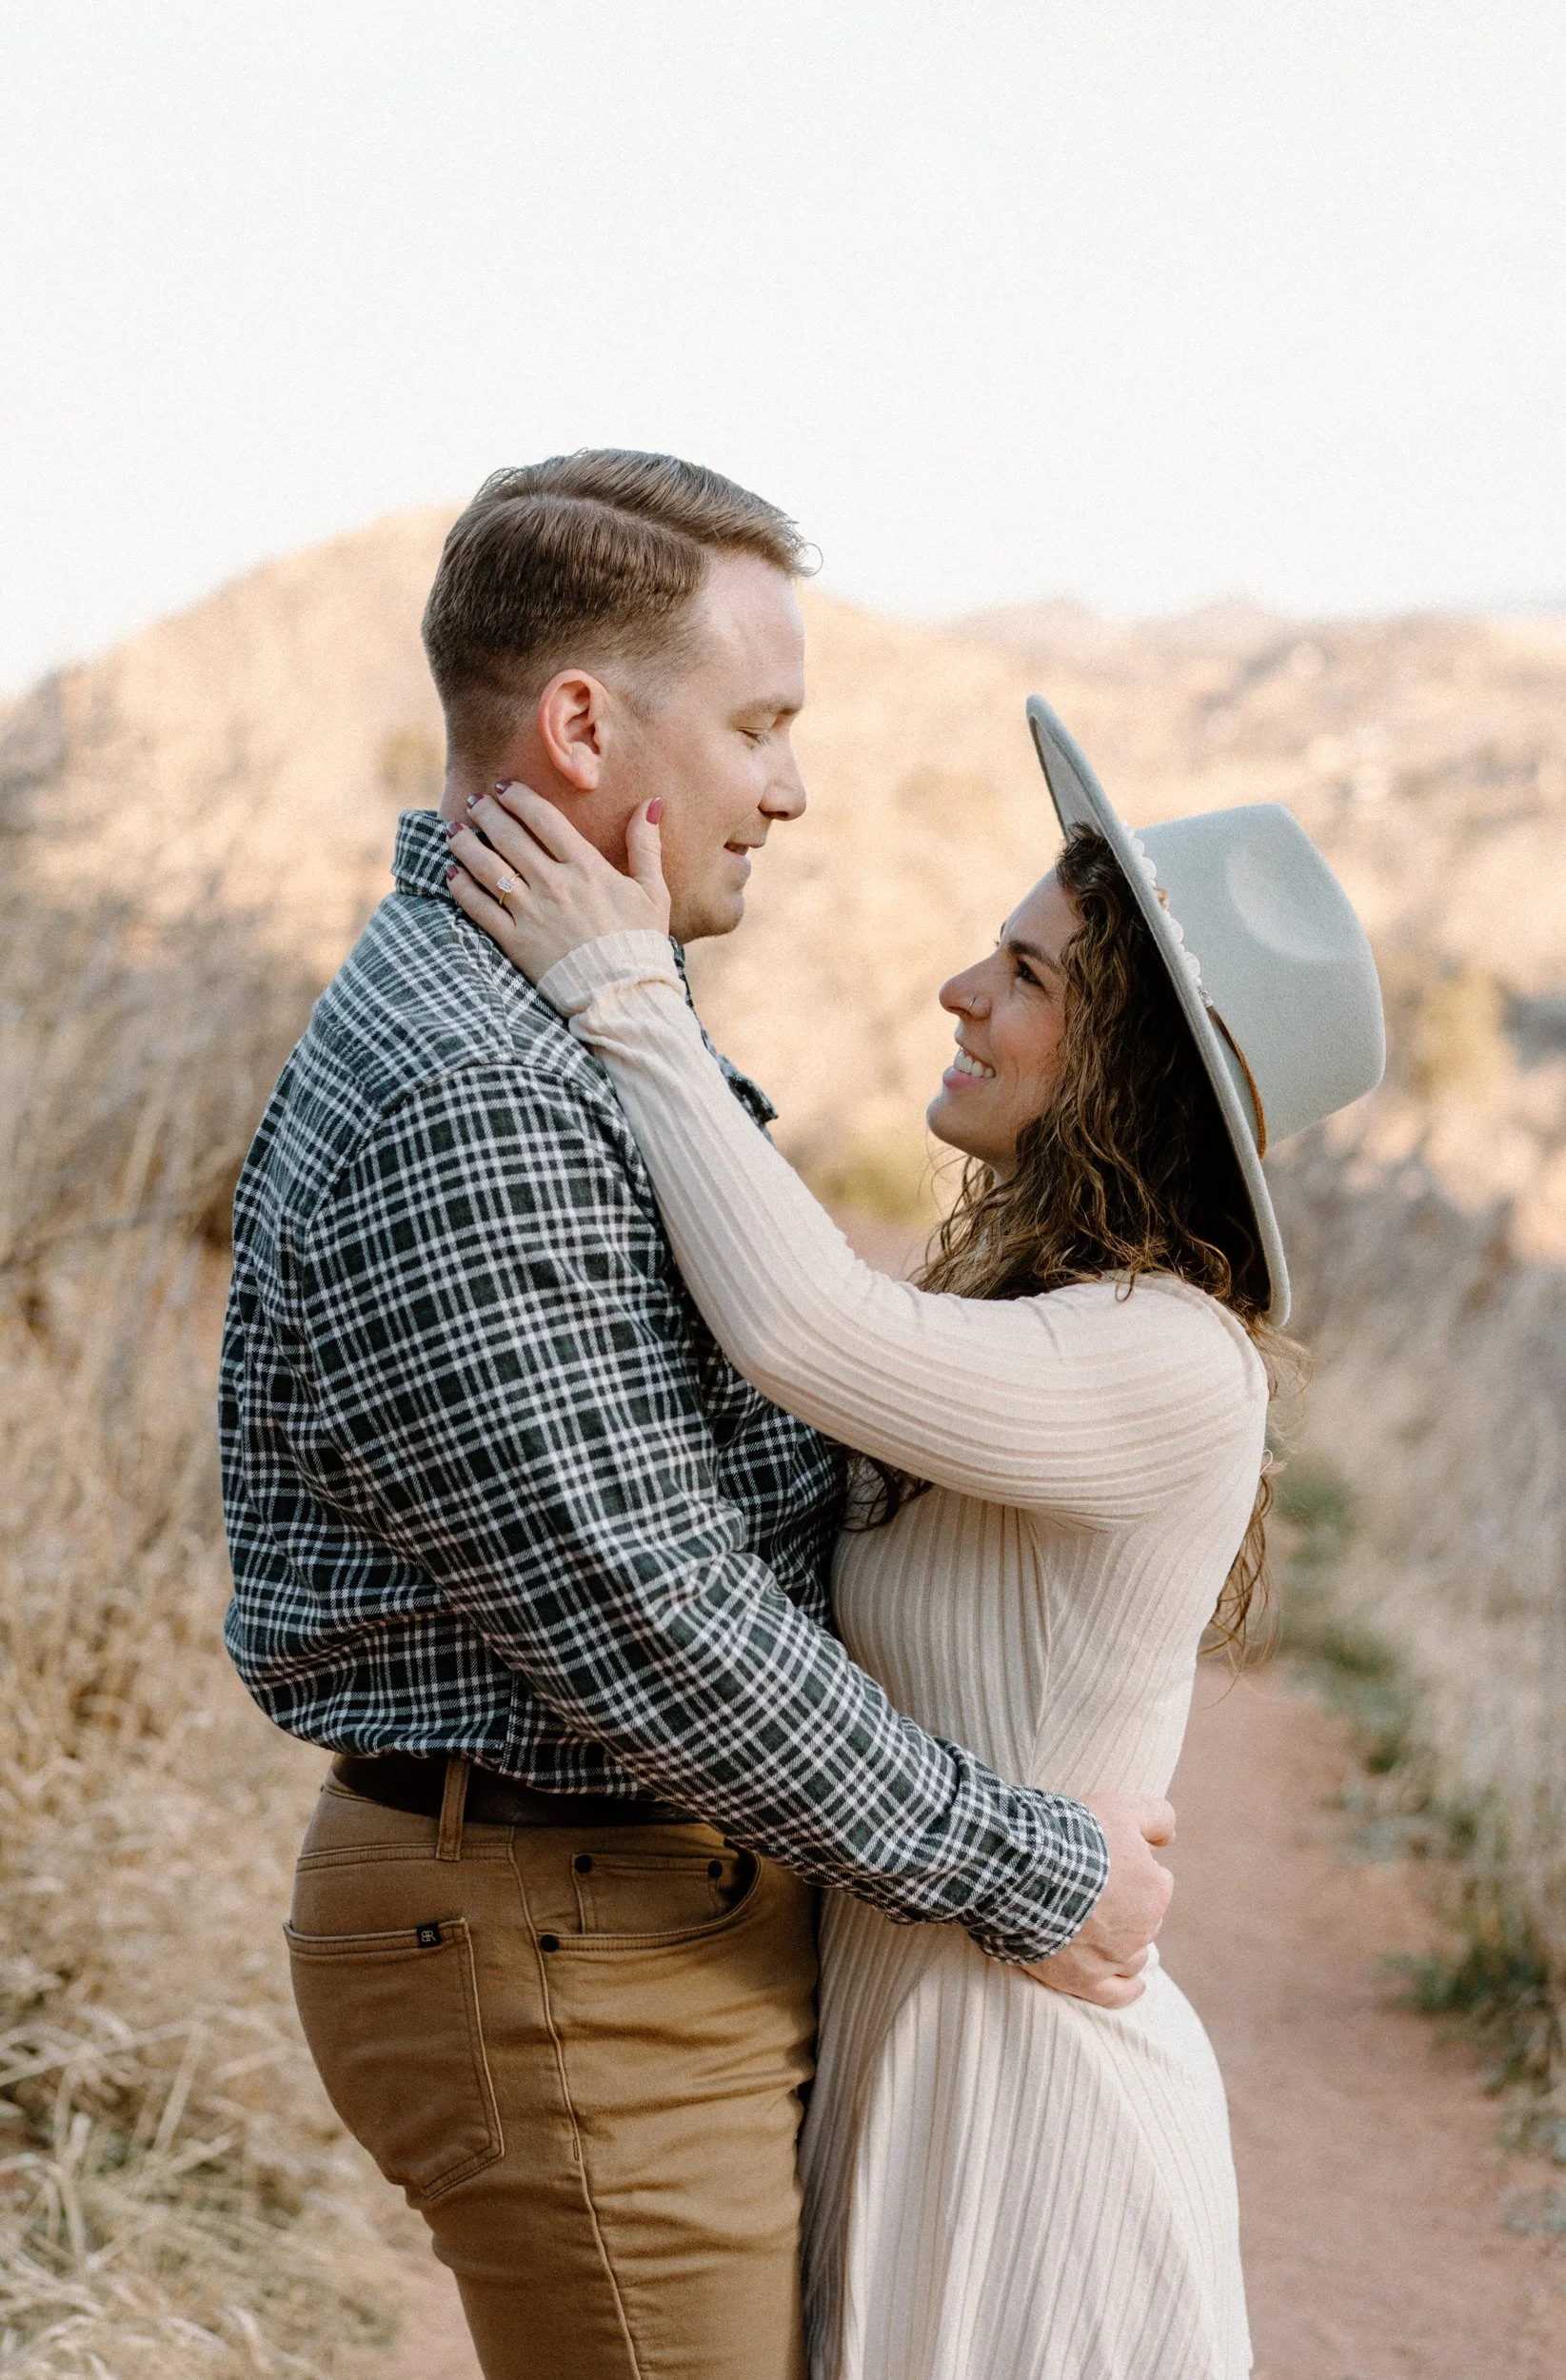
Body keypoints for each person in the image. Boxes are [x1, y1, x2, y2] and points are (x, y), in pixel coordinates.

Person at [218, 453, 1176, 2380]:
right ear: (583, 722)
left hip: (635, 1910)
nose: (794, 784)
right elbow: (653, 1613)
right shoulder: (474, 1087)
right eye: (759, 724)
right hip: (560, 1939)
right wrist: (1032, 1866)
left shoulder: (572, 1011)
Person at [443, 698, 1385, 2380]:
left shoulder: (1174, 1362)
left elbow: (799, 1330)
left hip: (1041, 2115)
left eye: (1028, 976)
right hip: (904, 2059)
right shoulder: (1041, 1317)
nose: (963, 991)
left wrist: (628, 990)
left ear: (1137, 1069)